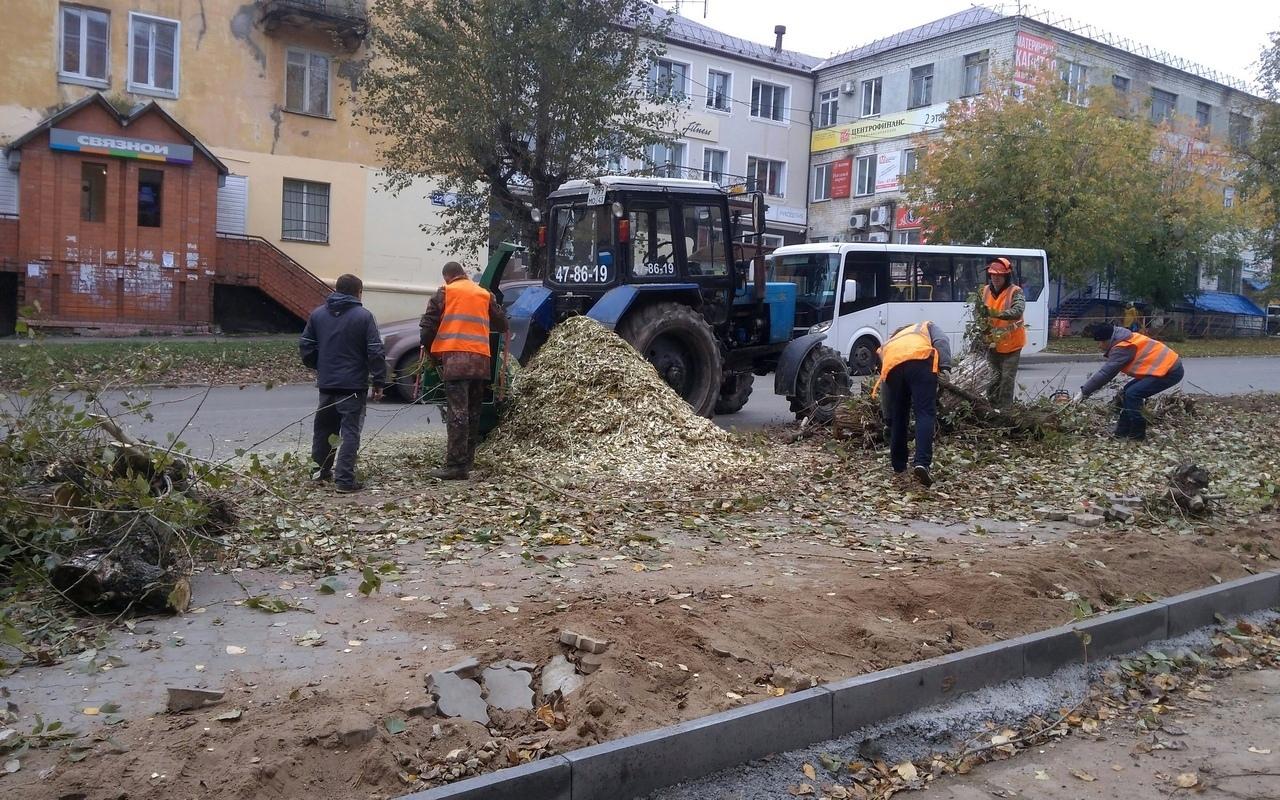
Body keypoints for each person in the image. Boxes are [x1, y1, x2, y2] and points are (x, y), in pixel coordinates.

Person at [419, 261, 509, 480]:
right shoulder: (484, 294)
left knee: (457, 413)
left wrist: (431, 353)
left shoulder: (445, 292)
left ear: (447, 277)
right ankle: (467, 461)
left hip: (456, 362)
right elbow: (502, 325)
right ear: (464, 275)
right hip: (480, 362)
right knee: (472, 412)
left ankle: (455, 467)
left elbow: (427, 327)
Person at [299, 274, 387, 492]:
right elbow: (375, 351)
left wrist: (320, 366)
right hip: (353, 385)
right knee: (349, 432)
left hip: (327, 384)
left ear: (337, 289)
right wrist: (379, 381)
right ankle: (345, 480)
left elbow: (306, 346)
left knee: (324, 429)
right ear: (358, 292)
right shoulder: (364, 316)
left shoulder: (318, 314)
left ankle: (319, 472)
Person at [873, 321, 953, 487]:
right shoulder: (926, 326)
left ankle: (898, 465)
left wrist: (888, 419)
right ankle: (921, 463)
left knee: (899, 415)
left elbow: (885, 386)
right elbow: (942, 341)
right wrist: (945, 367)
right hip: (921, 361)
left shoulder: (891, 343)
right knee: (924, 413)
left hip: (894, 369)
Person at [1076, 322, 1184, 441]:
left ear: (1109, 340)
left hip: (1170, 371)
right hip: (1161, 368)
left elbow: (1105, 374)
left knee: (1133, 394)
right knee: (1127, 392)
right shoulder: (1123, 337)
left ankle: (1137, 435)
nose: (1099, 346)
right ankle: (1122, 432)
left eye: (1101, 342)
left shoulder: (1123, 347)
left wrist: (1083, 393)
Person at [980, 257, 1026, 407]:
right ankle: (992, 407)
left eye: (999, 275)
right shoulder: (985, 290)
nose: (995, 278)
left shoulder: (1016, 291)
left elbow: (1018, 311)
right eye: (993, 275)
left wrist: (995, 313)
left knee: (1007, 379)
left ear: (1006, 276)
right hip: (993, 343)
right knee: (993, 378)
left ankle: (1005, 411)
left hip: (1012, 344)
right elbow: (979, 312)